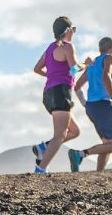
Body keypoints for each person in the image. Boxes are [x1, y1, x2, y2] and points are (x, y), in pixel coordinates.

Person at [68, 37, 112, 172]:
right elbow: (106, 76)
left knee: (106, 144)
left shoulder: (93, 64)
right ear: (111, 48)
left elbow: (76, 86)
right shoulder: (110, 58)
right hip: (104, 105)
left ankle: (99, 173)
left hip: (93, 107)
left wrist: (85, 103)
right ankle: (80, 154)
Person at [31, 16, 81, 173]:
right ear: (67, 31)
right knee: (60, 135)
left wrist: (52, 76)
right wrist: (87, 64)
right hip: (61, 92)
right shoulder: (67, 46)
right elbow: (74, 69)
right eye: (73, 30)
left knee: (75, 131)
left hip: (49, 94)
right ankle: (41, 169)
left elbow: (37, 69)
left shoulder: (50, 48)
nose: (73, 33)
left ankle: (43, 147)